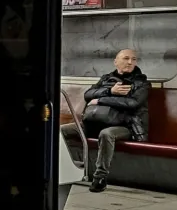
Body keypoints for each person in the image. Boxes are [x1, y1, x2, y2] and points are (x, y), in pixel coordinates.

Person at [61, 49, 148, 193]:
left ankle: (100, 177)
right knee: (62, 131)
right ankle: (70, 166)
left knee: (106, 134)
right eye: (126, 58)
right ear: (116, 62)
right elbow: (88, 94)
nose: (130, 62)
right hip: (95, 121)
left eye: (133, 59)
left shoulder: (141, 83)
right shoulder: (106, 79)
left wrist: (100, 99)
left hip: (125, 125)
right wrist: (109, 91)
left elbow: (132, 104)